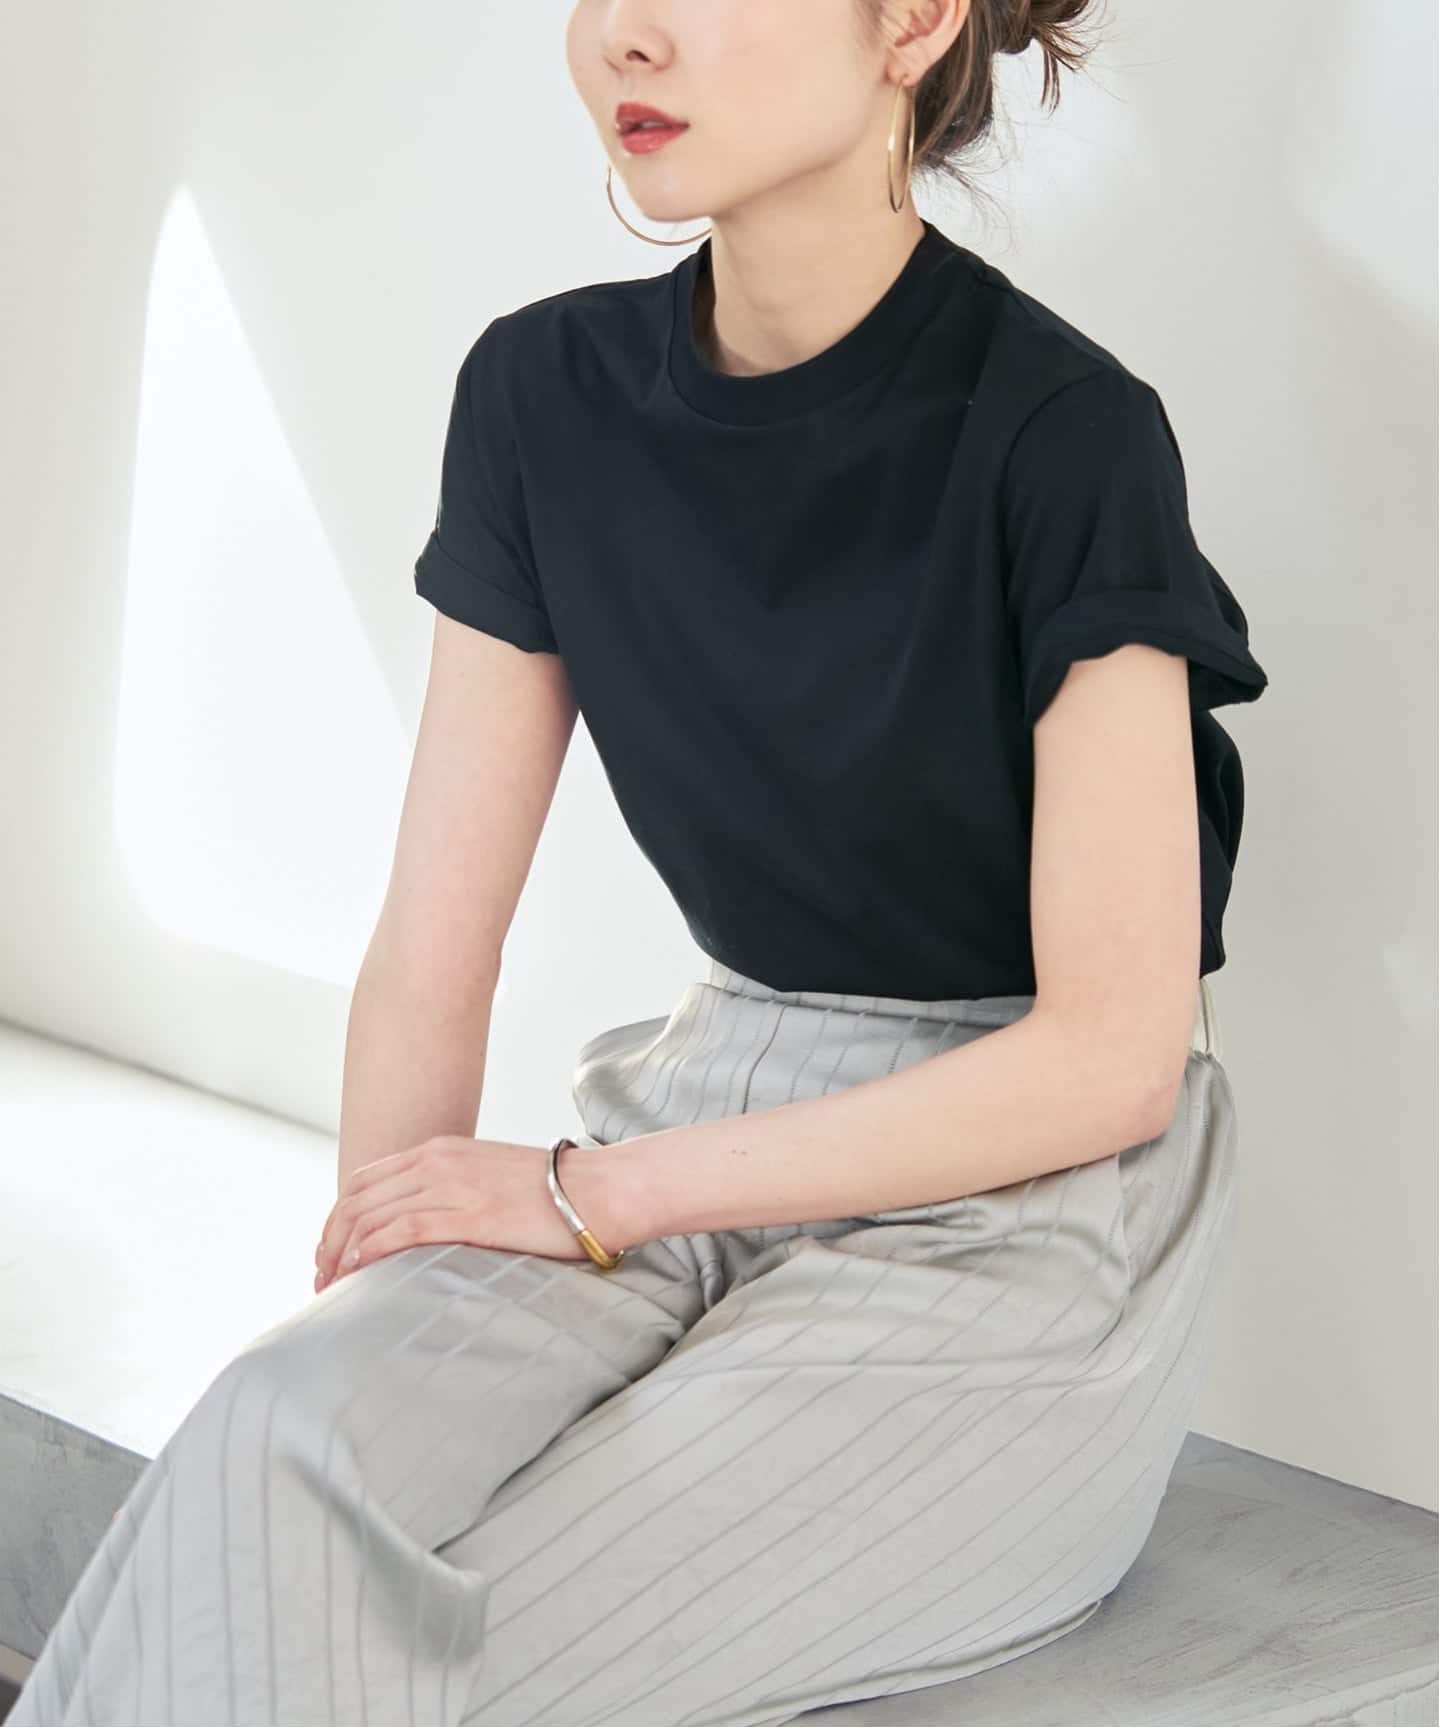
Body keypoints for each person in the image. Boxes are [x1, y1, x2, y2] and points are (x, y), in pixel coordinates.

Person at [9, 0, 1270, 1723]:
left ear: (912, 20)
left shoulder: (1066, 435)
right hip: (702, 1105)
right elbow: (432, 949)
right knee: (272, 1437)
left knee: (472, 1637)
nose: (625, 36)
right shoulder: (540, 394)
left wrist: (591, 1194)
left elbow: (1111, 1061)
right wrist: (378, 1301)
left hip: (1020, 1210)